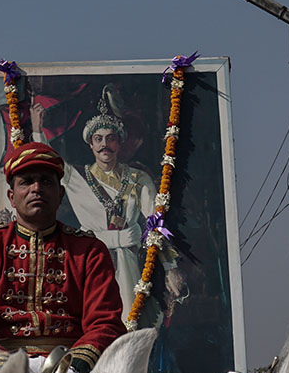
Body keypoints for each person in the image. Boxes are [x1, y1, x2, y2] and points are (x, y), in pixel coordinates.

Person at [0, 141, 126, 373]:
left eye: (46, 181)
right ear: (12, 196)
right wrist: (7, 370)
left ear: (61, 194)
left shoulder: (90, 252)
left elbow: (105, 323)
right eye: (26, 182)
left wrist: (73, 369)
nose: (36, 189)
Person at [30, 87, 185, 327]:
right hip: (89, 263)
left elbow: (156, 224)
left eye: (110, 138)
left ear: (119, 143)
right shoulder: (76, 177)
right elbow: (48, 161)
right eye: (98, 139)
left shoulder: (137, 178)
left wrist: (170, 267)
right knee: (91, 325)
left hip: (128, 266)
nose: (105, 145)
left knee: (130, 329)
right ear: (90, 144)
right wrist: (37, 130)